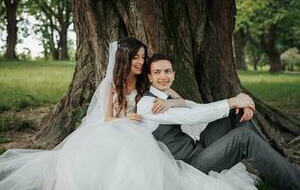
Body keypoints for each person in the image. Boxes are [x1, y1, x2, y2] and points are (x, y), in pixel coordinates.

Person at [0, 38, 254, 190]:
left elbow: (180, 101)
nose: (141, 61)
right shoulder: (113, 83)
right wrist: (124, 119)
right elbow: (107, 117)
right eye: (136, 57)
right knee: (122, 149)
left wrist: (171, 104)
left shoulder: (146, 81)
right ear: (125, 58)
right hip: (120, 126)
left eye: (143, 57)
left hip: (146, 127)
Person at [137, 53, 300, 190]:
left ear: (174, 74)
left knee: (233, 114)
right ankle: (295, 183)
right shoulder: (146, 104)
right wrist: (234, 100)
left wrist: (243, 104)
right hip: (190, 164)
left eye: (167, 71)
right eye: (157, 72)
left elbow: (196, 108)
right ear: (150, 77)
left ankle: (272, 169)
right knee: (243, 137)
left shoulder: (169, 97)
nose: (163, 76)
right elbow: (193, 117)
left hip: (198, 147)